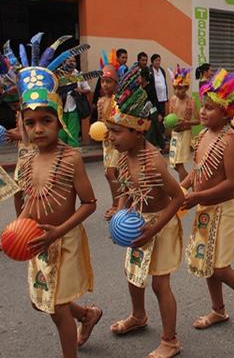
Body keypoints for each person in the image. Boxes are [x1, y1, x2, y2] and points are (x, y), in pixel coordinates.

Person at [12, 35, 102, 358]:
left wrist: (60, 231)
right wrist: (15, 231)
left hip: (64, 241)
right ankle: (87, 315)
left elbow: (90, 203)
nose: (38, 129)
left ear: (59, 118)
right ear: (23, 124)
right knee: (44, 304)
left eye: (46, 121)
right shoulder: (25, 158)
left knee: (57, 308)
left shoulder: (71, 158)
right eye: (31, 122)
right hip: (36, 240)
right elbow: (23, 200)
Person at [106, 65, 184, 358]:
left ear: (138, 130)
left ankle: (170, 340)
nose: (111, 137)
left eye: (116, 131)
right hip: (138, 223)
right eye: (110, 131)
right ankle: (138, 316)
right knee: (133, 274)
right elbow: (126, 188)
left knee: (159, 284)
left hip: (160, 225)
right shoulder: (124, 156)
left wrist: (153, 228)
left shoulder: (154, 162)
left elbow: (177, 198)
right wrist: (119, 213)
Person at [180, 68, 234, 334]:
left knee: (220, 266)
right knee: (206, 263)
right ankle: (218, 309)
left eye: (210, 108)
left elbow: (232, 184)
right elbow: (198, 170)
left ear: (226, 112)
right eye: (202, 106)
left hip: (225, 210)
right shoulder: (204, 135)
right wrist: (181, 189)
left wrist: (196, 196)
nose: (203, 112)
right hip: (205, 207)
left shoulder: (229, 141)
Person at [97, 64, 121, 220]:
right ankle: (123, 202)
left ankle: (116, 205)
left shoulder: (118, 100)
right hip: (106, 142)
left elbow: (120, 121)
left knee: (110, 173)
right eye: (103, 81)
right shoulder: (100, 101)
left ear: (116, 83)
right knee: (116, 174)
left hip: (117, 140)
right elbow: (100, 121)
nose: (105, 84)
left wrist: (109, 129)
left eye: (109, 81)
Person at [167, 65, 199, 182]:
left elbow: (198, 120)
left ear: (186, 88)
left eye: (180, 88)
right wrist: (168, 125)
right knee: (174, 163)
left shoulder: (191, 102)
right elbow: (170, 117)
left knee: (179, 164)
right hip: (175, 134)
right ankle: (191, 182)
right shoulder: (173, 100)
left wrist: (186, 122)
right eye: (175, 88)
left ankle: (183, 189)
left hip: (185, 134)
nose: (177, 91)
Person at [58, 56, 92, 147]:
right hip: (61, 107)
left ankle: (73, 153)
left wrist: (79, 91)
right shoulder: (59, 75)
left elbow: (88, 89)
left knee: (73, 133)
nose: (72, 63)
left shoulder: (79, 75)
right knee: (61, 133)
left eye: (74, 61)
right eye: (70, 61)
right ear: (64, 63)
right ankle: (62, 151)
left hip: (74, 107)